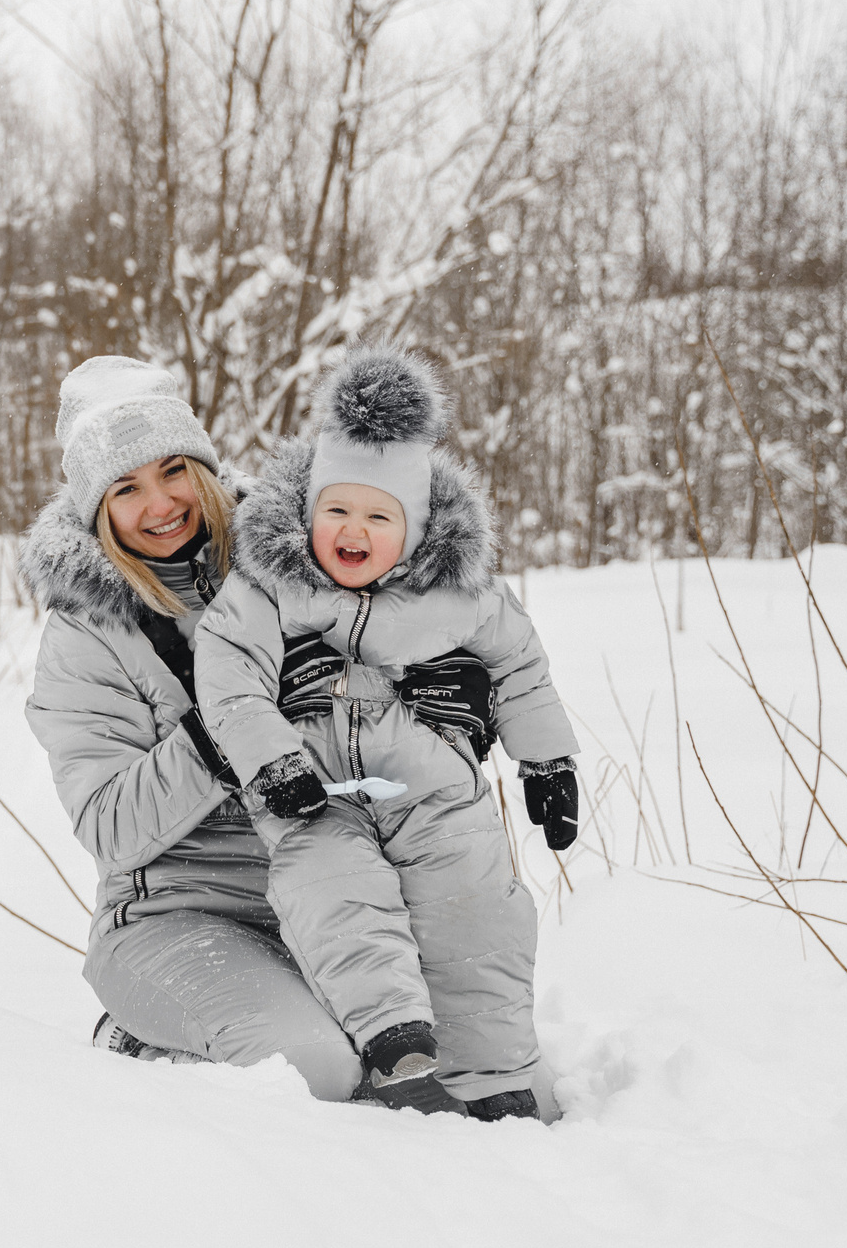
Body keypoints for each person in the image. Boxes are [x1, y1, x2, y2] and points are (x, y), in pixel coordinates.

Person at [20, 355, 499, 1100]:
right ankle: (143, 1041)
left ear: (204, 464)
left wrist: (448, 700)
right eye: (126, 487)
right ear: (95, 507)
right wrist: (227, 733)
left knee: (468, 1059)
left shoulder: (300, 560)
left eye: (173, 468)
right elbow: (108, 824)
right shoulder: (87, 635)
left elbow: (379, 674)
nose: (160, 503)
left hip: (328, 892)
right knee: (319, 1070)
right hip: (178, 916)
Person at [197, 346, 579, 1120]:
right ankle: (395, 1039)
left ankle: (494, 1075)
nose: (353, 529)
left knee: (476, 901)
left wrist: (545, 760)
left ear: (412, 529)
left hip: (431, 780)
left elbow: (520, 663)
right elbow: (228, 672)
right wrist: (271, 763)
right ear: (308, 512)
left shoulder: (459, 591)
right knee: (333, 887)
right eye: (336, 510)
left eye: (378, 516)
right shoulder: (270, 584)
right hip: (313, 789)